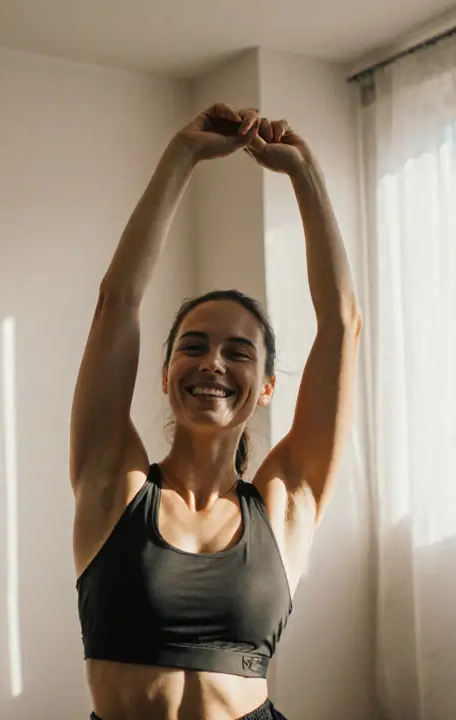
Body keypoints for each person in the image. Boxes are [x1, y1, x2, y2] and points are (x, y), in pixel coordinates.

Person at [69, 102, 362, 720]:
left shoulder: (286, 504)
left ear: (266, 388)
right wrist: (182, 155)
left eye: (238, 352)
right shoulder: (113, 484)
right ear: (166, 370)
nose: (213, 364)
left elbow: (342, 326)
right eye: (193, 346)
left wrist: (305, 173)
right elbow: (116, 304)